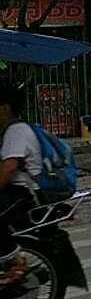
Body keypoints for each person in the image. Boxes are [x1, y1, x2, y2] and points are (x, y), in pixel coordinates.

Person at [0, 83, 42, 286]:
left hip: (22, 193)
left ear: (5, 108)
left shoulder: (17, 131)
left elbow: (8, 169)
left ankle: (17, 262)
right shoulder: (8, 132)